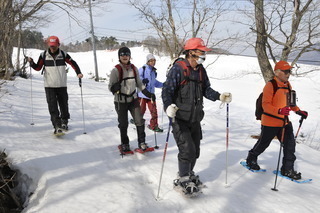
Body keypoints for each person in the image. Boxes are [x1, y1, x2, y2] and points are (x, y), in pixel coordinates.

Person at [161, 37, 232, 193]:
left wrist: (219, 96)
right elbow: (167, 91)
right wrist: (168, 107)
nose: (204, 55)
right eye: (201, 52)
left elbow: (206, 89)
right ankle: (183, 177)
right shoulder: (178, 69)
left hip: (195, 118)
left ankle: (189, 172)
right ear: (191, 52)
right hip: (179, 118)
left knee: (196, 150)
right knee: (187, 149)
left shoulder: (200, 70)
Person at [246, 60, 308, 180]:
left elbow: (291, 102)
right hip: (270, 122)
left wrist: (298, 110)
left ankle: (287, 169)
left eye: (289, 71)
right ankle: (251, 158)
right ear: (277, 72)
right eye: (285, 71)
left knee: (290, 145)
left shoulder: (288, 85)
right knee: (263, 143)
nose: (288, 73)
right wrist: (279, 111)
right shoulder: (270, 85)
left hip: (284, 122)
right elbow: (266, 105)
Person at [27, 36, 83, 135]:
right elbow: (38, 68)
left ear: (58, 45)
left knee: (64, 105)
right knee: (52, 107)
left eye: (54, 46)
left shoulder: (63, 54)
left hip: (61, 84)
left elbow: (73, 63)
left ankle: (64, 122)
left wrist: (78, 72)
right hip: (49, 85)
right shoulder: (43, 55)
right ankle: (57, 126)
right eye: (51, 46)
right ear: (48, 45)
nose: (52, 48)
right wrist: (31, 63)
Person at [109, 47, 156, 152]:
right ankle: (125, 143)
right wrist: (114, 88)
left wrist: (148, 94)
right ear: (119, 57)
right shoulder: (116, 70)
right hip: (120, 101)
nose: (124, 56)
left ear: (129, 56)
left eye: (126, 54)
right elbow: (110, 87)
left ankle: (142, 142)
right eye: (122, 55)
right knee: (123, 123)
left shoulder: (134, 69)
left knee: (139, 121)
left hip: (133, 99)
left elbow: (139, 83)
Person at [137, 53, 164, 132]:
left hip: (151, 95)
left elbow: (154, 82)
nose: (153, 62)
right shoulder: (143, 69)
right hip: (143, 94)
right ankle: (138, 122)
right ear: (147, 61)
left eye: (154, 60)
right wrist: (143, 80)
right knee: (141, 110)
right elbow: (138, 77)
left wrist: (163, 85)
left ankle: (154, 125)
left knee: (154, 111)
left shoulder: (153, 71)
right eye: (151, 61)